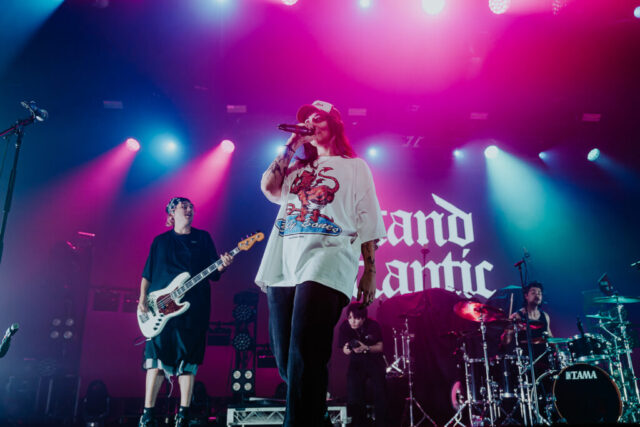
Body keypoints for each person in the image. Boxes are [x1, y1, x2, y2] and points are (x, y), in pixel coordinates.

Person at [255, 100, 386, 427]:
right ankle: (319, 417)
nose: (311, 123)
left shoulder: (355, 167)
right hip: (284, 264)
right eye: (307, 120)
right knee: (289, 362)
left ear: (335, 125)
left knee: (304, 350)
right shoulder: (296, 169)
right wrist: (292, 144)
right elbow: (268, 187)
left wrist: (369, 270)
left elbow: (368, 218)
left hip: (328, 258)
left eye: (318, 118)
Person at [137, 197, 233, 427]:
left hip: (193, 310)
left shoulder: (203, 238)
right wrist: (142, 299)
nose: (189, 209)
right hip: (159, 309)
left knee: (189, 362)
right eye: (184, 206)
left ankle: (183, 415)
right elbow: (147, 273)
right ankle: (147, 415)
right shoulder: (160, 241)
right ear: (172, 212)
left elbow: (214, 273)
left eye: (191, 207)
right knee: (156, 361)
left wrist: (222, 265)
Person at [338, 303, 387, 427]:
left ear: (363, 318)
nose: (352, 321)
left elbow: (380, 347)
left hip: (374, 361)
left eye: (356, 318)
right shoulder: (345, 326)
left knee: (380, 393)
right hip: (356, 362)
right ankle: (359, 423)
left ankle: (382, 423)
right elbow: (344, 350)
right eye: (350, 317)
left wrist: (366, 348)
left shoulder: (373, 325)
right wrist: (348, 348)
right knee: (354, 393)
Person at [500, 282, 553, 365]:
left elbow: (550, 337)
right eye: (533, 293)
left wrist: (558, 351)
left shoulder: (545, 316)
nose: (537, 295)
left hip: (543, 358)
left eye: (539, 293)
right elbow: (506, 342)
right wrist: (509, 331)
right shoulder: (517, 316)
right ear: (526, 296)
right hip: (526, 360)